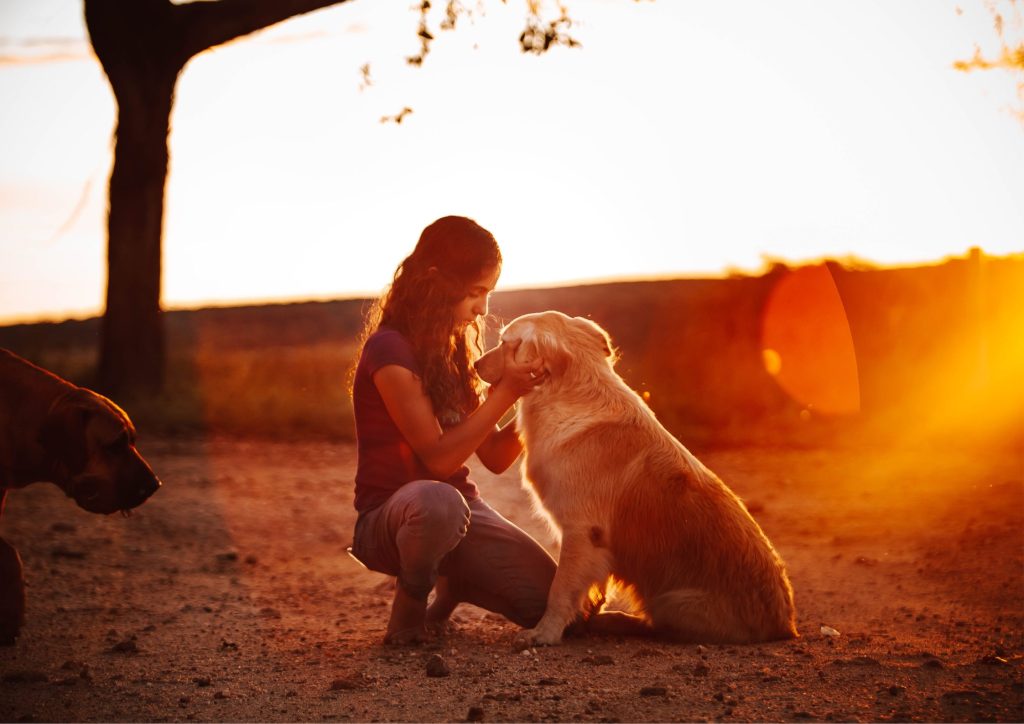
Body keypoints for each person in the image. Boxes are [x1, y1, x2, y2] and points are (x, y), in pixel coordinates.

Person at [348, 215, 555, 645]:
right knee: (438, 499)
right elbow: (440, 458)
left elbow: (496, 456)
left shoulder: (452, 352)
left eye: (489, 294)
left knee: (553, 606)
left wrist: (539, 392)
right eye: (476, 292)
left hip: (460, 516)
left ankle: (455, 582)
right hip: (394, 518)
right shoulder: (389, 350)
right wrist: (507, 392)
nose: (482, 308)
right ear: (435, 282)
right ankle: (409, 610)